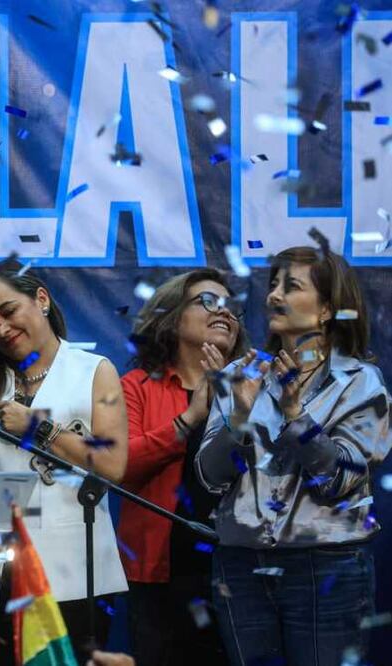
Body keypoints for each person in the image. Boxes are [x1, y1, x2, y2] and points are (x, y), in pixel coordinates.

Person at [195, 246, 389, 666]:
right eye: (273, 285)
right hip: (241, 567)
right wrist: (241, 419)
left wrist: (295, 416)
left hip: (326, 569)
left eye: (291, 286)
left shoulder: (361, 384)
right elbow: (210, 478)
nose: (273, 296)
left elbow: (338, 479)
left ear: (326, 311)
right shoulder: (238, 376)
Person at [0, 260, 128, 664]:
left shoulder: (93, 370)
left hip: (76, 570)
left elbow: (112, 465)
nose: (2, 329)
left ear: (41, 299)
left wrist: (41, 428)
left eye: (8, 311)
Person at [118, 269, 247, 666]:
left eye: (230, 306)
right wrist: (190, 418)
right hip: (160, 574)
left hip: (240, 571)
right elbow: (120, 466)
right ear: (173, 317)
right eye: (207, 301)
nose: (222, 311)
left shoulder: (255, 386)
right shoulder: (136, 385)